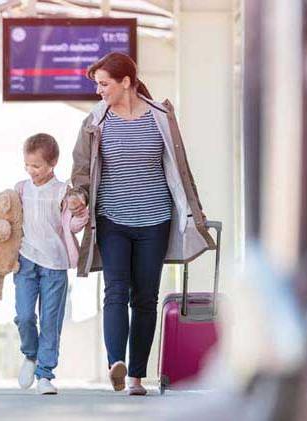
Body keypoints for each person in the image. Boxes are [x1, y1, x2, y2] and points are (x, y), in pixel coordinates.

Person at [68, 52, 215, 396]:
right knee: (115, 291)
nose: (99, 91)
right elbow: (80, 169)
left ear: (126, 82)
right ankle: (116, 364)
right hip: (112, 219)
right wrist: (78, 196)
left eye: (104, 84)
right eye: (97, 85)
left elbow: (180, 168)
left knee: (146, 298)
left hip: (156, 219)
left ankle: (136, 377)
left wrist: (194, 212)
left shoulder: (161, 117)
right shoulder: (95, 121)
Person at [13, 133, 71, 395]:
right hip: (25, 262)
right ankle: (30, 355)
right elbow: (11, 221)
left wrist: (80, 209)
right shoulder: (21, 188)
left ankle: (45, 374)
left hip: (55, 265)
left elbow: (73, 225)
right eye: (27, 165)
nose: (31, 170)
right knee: (25, 316)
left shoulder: (63, 191)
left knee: (50, 322)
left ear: (53, 163)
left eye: (36, 166)